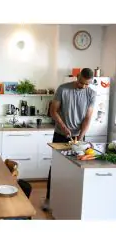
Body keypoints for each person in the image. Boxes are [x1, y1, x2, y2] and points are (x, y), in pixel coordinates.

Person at [42, 68, 96, 211]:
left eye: (87, 84)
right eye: (81, 82)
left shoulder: (91, 93)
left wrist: (80, 137)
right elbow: (53, 111)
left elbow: (88, 117)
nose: (83, 86)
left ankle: (70, 200)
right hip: (61, 134)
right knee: (56, 166)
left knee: (76, 167)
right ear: (77, 77)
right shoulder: (63, 89)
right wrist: (63, 127)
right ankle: (49, 199)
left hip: (79, 136)